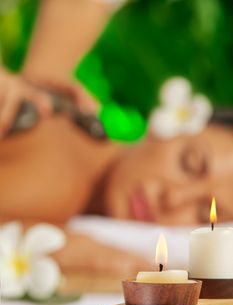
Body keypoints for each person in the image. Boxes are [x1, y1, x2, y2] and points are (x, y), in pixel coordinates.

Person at [0, 0, 233, 277]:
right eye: (190, 163)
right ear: (163, 126)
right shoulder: (49, 146)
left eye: (202, 211)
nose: (173, 197)